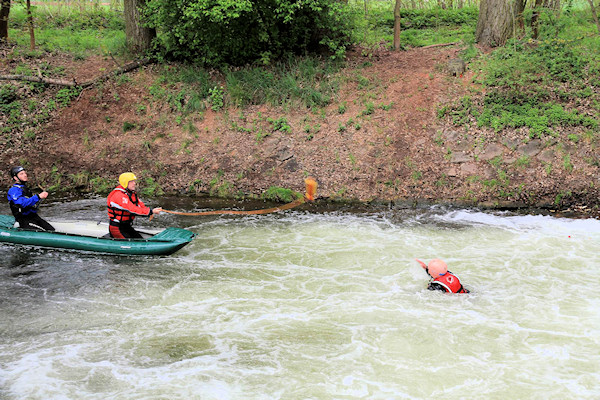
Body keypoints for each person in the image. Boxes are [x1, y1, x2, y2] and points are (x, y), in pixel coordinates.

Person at [106, 172, 162, 239]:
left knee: (139, 239)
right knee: (130, 243)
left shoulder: (131, 193)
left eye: (134, 181)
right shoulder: (118, 196)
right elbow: (132, 209)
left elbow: (140, 206)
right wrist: (150, 211)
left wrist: (151, 211)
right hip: (117, 228)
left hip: (126, 226)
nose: (134, 183)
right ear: (125, 182)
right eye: (131, 181)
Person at [7, 166, 55, 231]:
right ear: (15, 178)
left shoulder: (25, 188)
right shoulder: (14, 190)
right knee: (42, 233)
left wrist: (39, 198)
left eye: (25, 173)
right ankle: (19, 228)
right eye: (21, 174)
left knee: (51, 230)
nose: (25, 175)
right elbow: (22, 204)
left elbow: (31, 203)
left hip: (33, 216)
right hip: (23, 219)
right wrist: (38, 196)